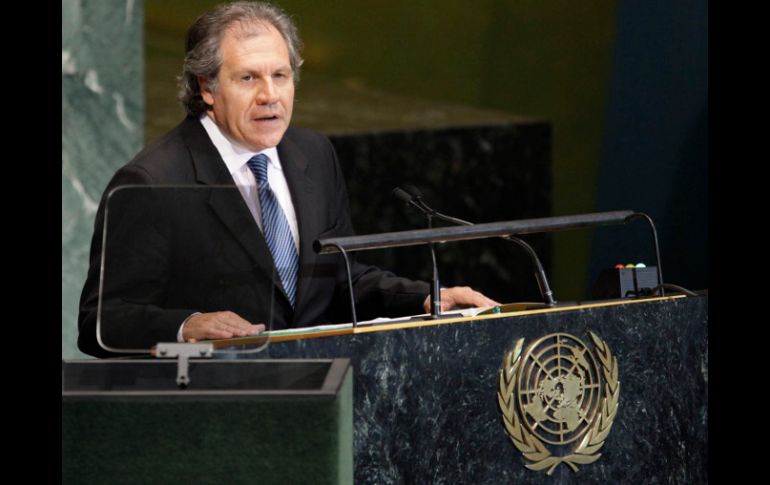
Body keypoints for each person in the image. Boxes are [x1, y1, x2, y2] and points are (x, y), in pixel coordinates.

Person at [78, 1, 496, 358]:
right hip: (213, 404)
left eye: (280, 76)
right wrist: (187, 325)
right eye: (248, 78)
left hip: (320, 394)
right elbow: (101, 322)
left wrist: (425, 298)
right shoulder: (153, 182)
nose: (270, 95)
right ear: (207, 87)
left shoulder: (313, 153)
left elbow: (339, 278)